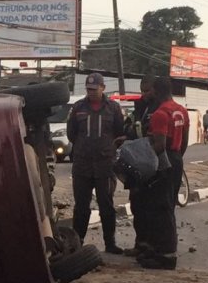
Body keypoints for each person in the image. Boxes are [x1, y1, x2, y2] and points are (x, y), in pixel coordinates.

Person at [134, 76, 189, 270]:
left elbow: (159, 145)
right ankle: (159, 250)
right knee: (167, 206)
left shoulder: (160, 113)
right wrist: (176, 161)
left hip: (163, 161)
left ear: (156, 91)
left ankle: (166, 255)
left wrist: (145, 156)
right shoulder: (181, 110)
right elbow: (184, 142)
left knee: (161, 209)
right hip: (176, 160)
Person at [66, 72, 125, 253]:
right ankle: (78, 244)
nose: (91, 92)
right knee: (81, 207)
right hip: (82, 165)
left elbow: (119, 132)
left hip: (105, 165)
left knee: (106, 205)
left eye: (94, 89)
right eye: (88, 89)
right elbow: (71, 133)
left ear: (103, 88)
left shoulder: (113, 108)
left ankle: (110, 243)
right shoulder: (78, 107)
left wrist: (108, 149)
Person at [120, 75, 159, 259]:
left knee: (151, 208)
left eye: (147, 90)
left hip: (153, 163)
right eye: (142, 90)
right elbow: (131, 128)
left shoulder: (160, 108)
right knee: (137, 205)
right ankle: (140, 243)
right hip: (137, 161)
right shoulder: (140, 106)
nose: (144, 94)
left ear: (155, 89)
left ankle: (152, 246)